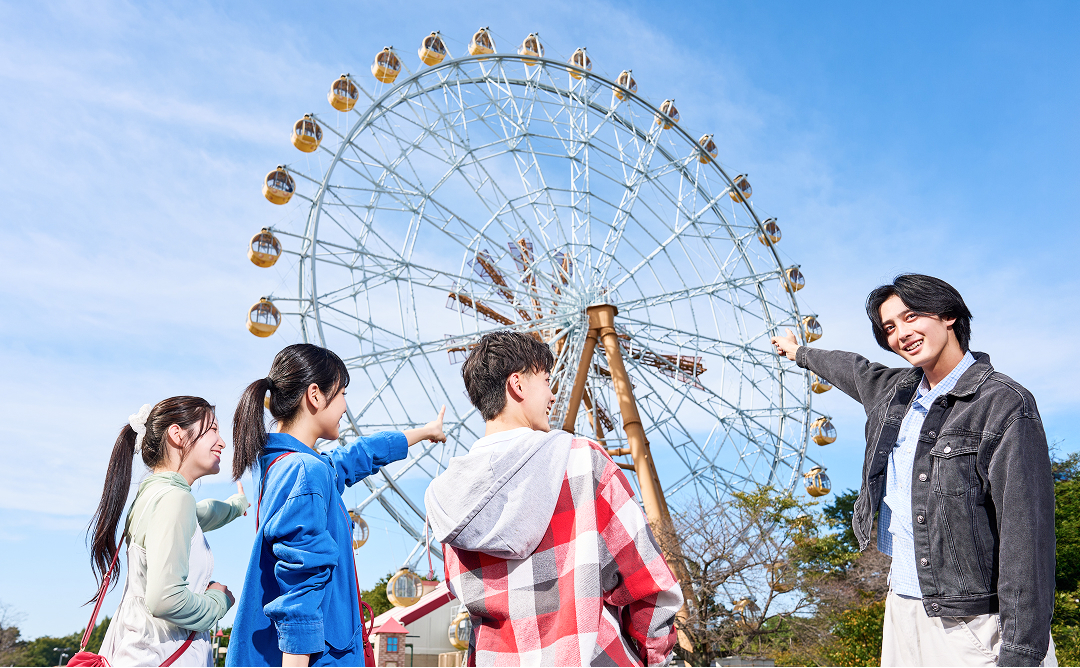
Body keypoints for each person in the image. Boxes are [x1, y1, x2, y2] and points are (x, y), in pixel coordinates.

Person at [771, 274, 1056, 667]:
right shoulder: (895, 394)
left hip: (972, 622)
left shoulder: (1004, 404)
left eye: (911, 317)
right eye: (889, 327)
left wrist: (1022, 651)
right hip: (903, 606)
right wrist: (798, 351)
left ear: (948, 315)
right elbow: (850, 367)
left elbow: (1027, 537)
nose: (900, 334)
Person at [425, 331, 683, 667]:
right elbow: (646, 580)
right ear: (517, 385)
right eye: (546, 381)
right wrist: (653, 656)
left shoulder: (445, 497)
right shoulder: (581, 462)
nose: (551, 395)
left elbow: (465, 600)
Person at [226, 343, 446, 667]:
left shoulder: (286, 466)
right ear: (315, 395)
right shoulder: (305, 471)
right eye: (341, 392)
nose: (345, 405)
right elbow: (301, 591)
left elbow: (358, 455)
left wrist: (424, 432)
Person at [90, 397, 249, 666]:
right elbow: (166, 600)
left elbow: (200, 515)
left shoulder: (153, 494)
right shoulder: (174, 499)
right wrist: (218, 600)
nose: (222, 442)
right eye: (212, 430)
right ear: (177, 434)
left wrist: (236, 506)